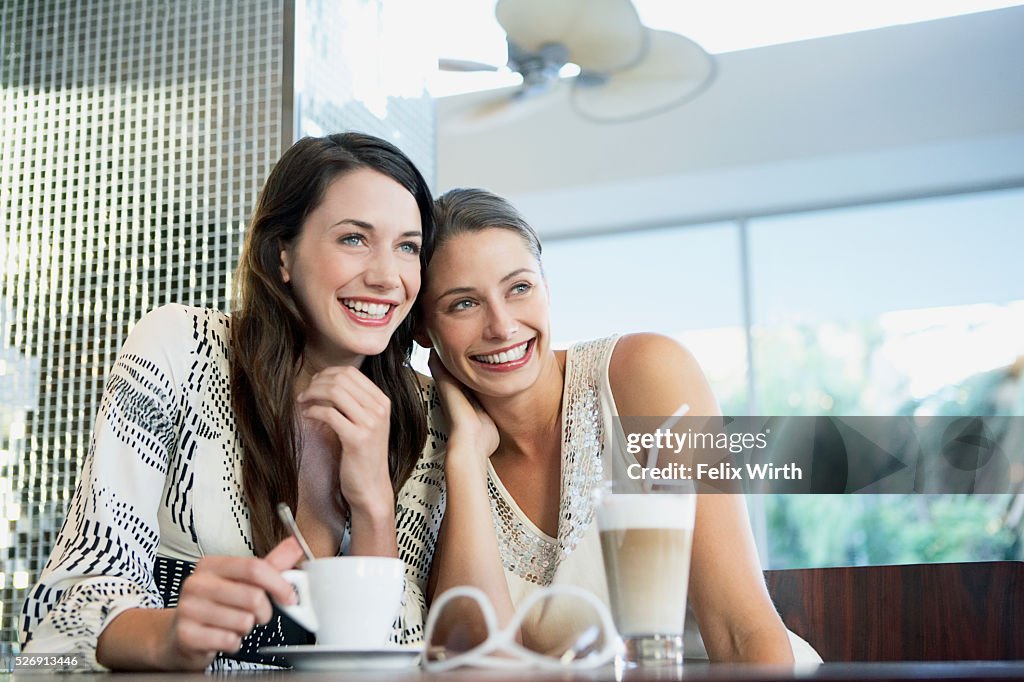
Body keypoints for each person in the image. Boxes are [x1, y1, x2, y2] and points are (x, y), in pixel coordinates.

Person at [19, 133, 445, 671]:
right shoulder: (183, 349)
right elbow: (58, 615)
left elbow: (398, 658)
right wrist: (166, 636)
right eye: (354, 239)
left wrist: (374, 506)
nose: (387, 277)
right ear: (283, 253)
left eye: (408, 246)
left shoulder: (422, 413)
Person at [418, 188, 815, 663]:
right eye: (463, 304)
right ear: (423, 328)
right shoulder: (436, 450)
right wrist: (464, 459)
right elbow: (482, 668)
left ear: (547, 288)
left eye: (519, 288)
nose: (502, 326)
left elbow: (741, 630)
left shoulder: (645, 374)